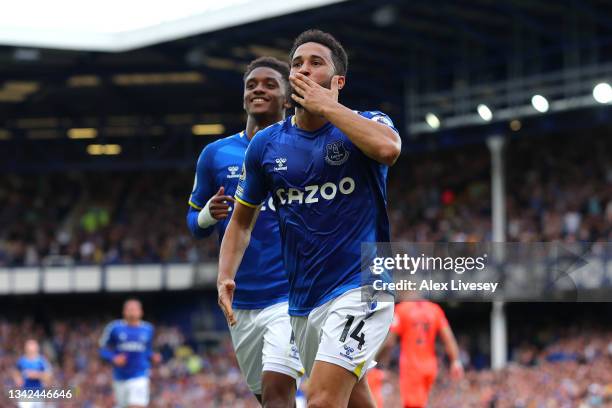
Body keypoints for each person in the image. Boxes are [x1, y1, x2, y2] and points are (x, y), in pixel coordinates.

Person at [217, 29, 402, 407]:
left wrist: (328, 106)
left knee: (320, 399)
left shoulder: (366, 123)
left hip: (361, 288)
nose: (303, 70)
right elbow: (240, 221)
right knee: (354, 400)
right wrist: (225, 274)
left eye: (316, 63)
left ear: (338, 81)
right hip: (303, 301)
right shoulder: (267, 145)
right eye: (297, 63)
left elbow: (388, 149)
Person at [188, 56, 303, 406]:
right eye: (252, 84)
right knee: (265, 396)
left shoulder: (304, 146)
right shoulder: (216, 154)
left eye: (270, 84)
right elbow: (194, 226)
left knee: (279, 389)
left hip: (291, 295)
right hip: (240, 302)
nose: (258, 89)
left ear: (288, 97)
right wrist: (208, 214)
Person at [382, 300, 464, 408]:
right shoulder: (435, 309)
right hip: (430, 366)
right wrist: (455, 360)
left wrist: (378, 359)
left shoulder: (402, 309)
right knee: (422, 402)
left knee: (413, 405)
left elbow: (390, 342)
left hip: (411, 367)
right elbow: (448, 337)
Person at [99, 298, 161, 408]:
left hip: (140, 375)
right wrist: (113, 358)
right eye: (129, 309)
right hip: (120, 376)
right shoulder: (115, 328)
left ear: (141, 312)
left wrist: (153, 356)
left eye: (134, 309)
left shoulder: (148, 329)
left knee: (136, 405)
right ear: (124, 312)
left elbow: (147, 350)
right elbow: (102, 349)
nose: (132, 311)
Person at [13, 339, 52, 408]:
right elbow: (16, 372)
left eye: (32, 349)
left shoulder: (42, 361)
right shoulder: (22, 361)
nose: (31, 351)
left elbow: (48, 377)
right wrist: (17, 379)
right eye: (29, 349)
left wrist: (36, 375)